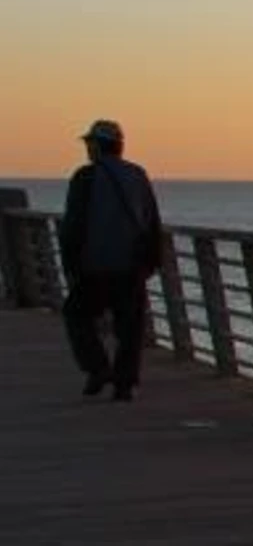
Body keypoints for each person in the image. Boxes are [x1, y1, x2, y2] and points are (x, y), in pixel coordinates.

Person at [60, 118, 164, 401]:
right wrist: (152, 261)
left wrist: (71, 265)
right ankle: (125, 384)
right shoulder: (138, 175)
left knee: (76, 315)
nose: (87, 149)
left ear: (97, 146)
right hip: (131, 266)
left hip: (94, 267)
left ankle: (97, 368)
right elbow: (152, 221)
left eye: (89, 143)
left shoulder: (85, 177)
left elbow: (73, 226)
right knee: (130, 327)